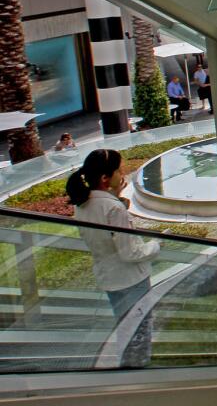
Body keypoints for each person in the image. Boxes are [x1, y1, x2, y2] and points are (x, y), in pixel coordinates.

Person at [68, 149, 160, 367]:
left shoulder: (83, 204)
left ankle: (129, 368)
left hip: (110, 278)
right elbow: (130, 252)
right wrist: (156, 245)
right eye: (120, 170)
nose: (124, 175)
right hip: (131, 280)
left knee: (125, 325)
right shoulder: (112, 208)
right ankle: (136, 371)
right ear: (105, 178)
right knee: (139, 330)